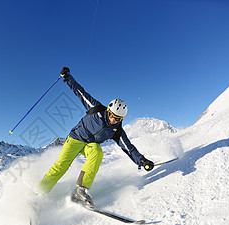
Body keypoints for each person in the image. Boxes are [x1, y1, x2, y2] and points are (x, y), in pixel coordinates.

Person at [39, 67, 154, 208]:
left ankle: (80, 191)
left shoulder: (116, 130)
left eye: (118, 119)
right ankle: (39, 194)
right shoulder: (96, 108)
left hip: (89, 145)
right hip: (75, 138)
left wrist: (142, 161)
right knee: (61, 166)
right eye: (112, 116)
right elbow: (80, 92)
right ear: (108, 110)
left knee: (98, 153)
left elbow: (128, 148)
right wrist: (68, 77)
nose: (113, 120)